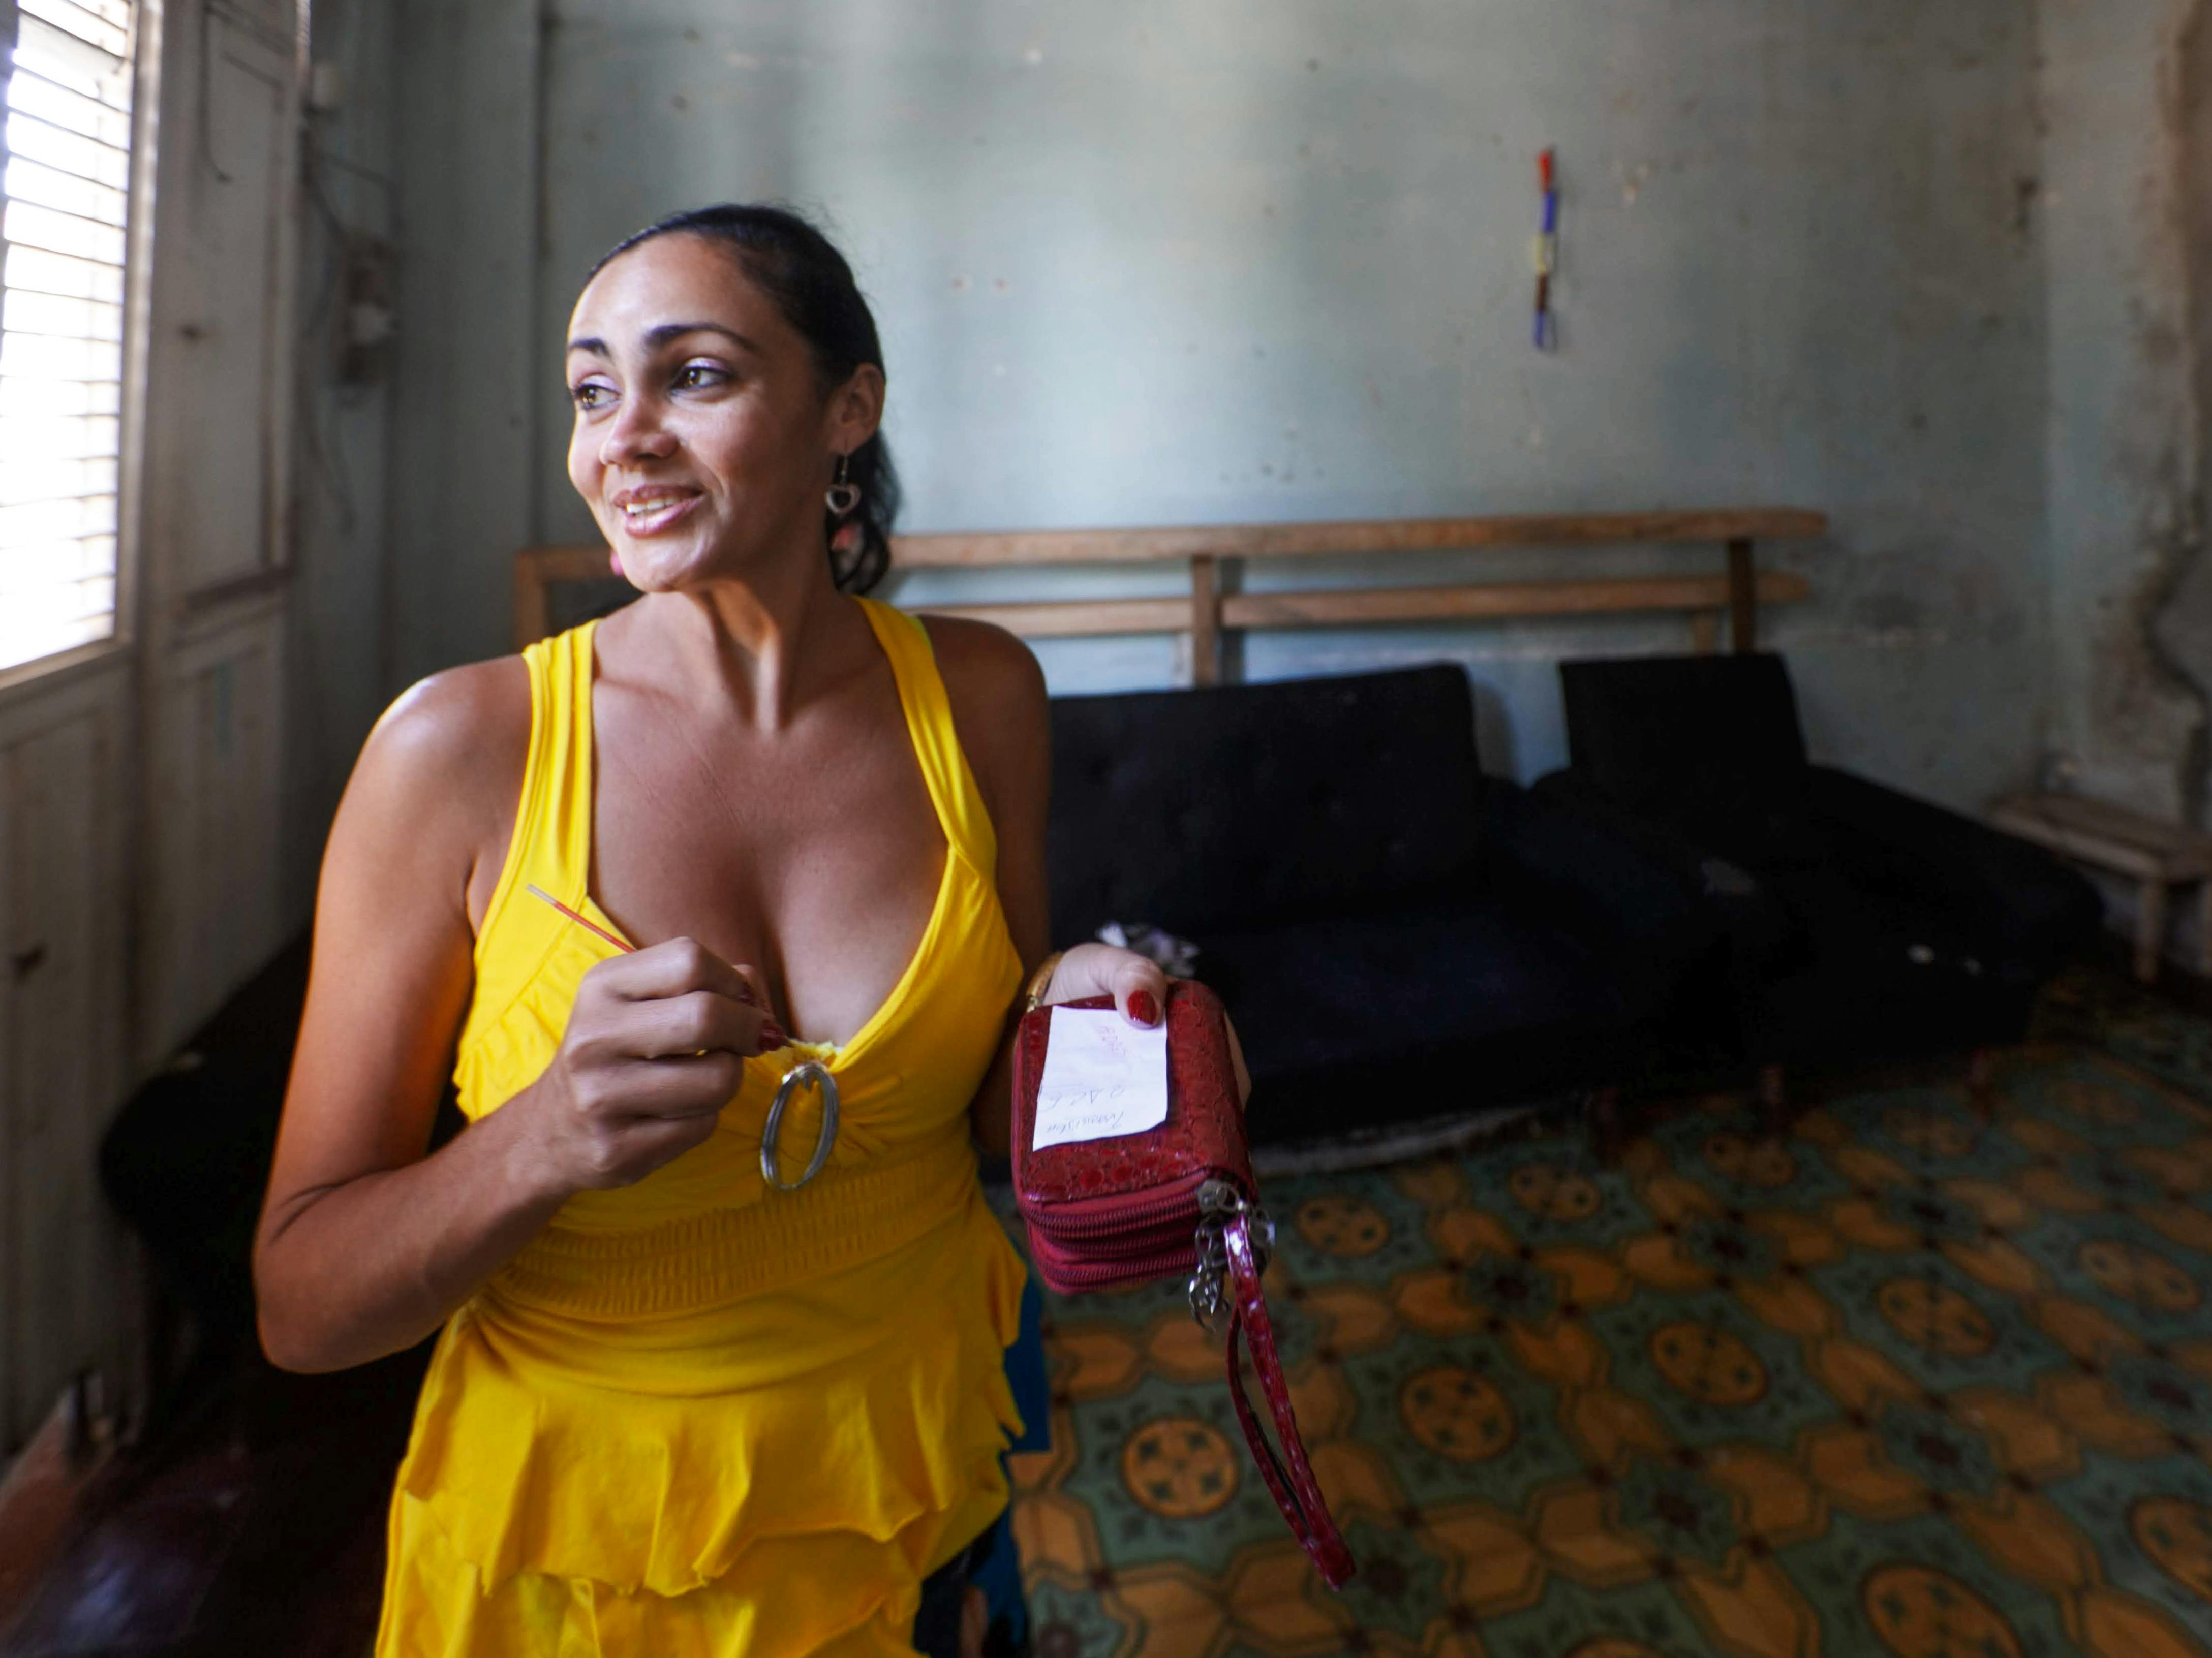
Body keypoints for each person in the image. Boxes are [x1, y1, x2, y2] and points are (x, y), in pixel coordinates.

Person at [253, 204, 1216, 1656]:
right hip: (590, 1554)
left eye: (691, 376)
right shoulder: (461, 749)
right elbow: (301, 1307)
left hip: (918, 1476)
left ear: (849, 410)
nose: (618, 439)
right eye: (591, 390)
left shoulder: (982, 696)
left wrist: (1101, 1021)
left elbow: (975, 1107)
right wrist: (543, 1134)